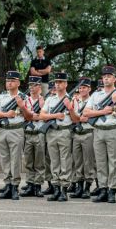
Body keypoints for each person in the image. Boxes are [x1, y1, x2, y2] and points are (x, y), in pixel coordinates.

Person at [84, 66, 116, 203]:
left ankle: (112, 190)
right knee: (100, 162)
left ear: (114, 79)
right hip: (98, 130)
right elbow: (86, 113)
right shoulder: (96, 95)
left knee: (114, 162)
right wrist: (102, 112)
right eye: (104, 76)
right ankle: (103, 189)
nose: (106, 78)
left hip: (113, 129)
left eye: (109, 76)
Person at [0, 71, 32, 200]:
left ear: (18, 83)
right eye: (8, 81)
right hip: (2, 130)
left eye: (12, 81)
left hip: (16, 130)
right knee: (4, 159)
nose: (9, 83)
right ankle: (7, 185)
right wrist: (5, 115)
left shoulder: (24, 98)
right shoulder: (2, 97)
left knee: (16, 160)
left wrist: (22, 107)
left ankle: (15, 186)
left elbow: (29, 117)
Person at [40, 72, 77, 202]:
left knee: (65, 160)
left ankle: (64, 190)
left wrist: (70, 108)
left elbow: (76, 119)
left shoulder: (72, 99)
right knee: (54, 160)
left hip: (64, 131)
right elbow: (42, 116)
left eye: (60, 82)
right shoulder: (50, 99)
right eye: (56, 82)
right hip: (51, 132)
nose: (57, 84)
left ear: (66, 84)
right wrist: (55, 115)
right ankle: (56, 188)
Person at [70, 78, 97, 198]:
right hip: (77, 133)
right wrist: (79, 118)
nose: (82, 90)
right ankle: (79, 187)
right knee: (77, 161)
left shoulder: (94, 101)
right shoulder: (75, 101)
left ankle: (87, 187)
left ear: (89, 89)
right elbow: (72, 117)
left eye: (84, 87)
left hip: (88, 132)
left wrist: (84, 117)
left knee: (88, 162)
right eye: (80, 88)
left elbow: (94, 115)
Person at [20, 76, 47, 197]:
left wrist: (38, 112)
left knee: (40, 162)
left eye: (34, 85)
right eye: (30, 85)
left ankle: (38, 186)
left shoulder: (44, 101)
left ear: (39, 87)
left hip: (39, 132)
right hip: (28, 133)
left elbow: (45, 116)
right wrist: (32, 116)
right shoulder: (25, 101)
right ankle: (30, 184)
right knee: (29, 161)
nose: (31, 87)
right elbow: (22, 115)